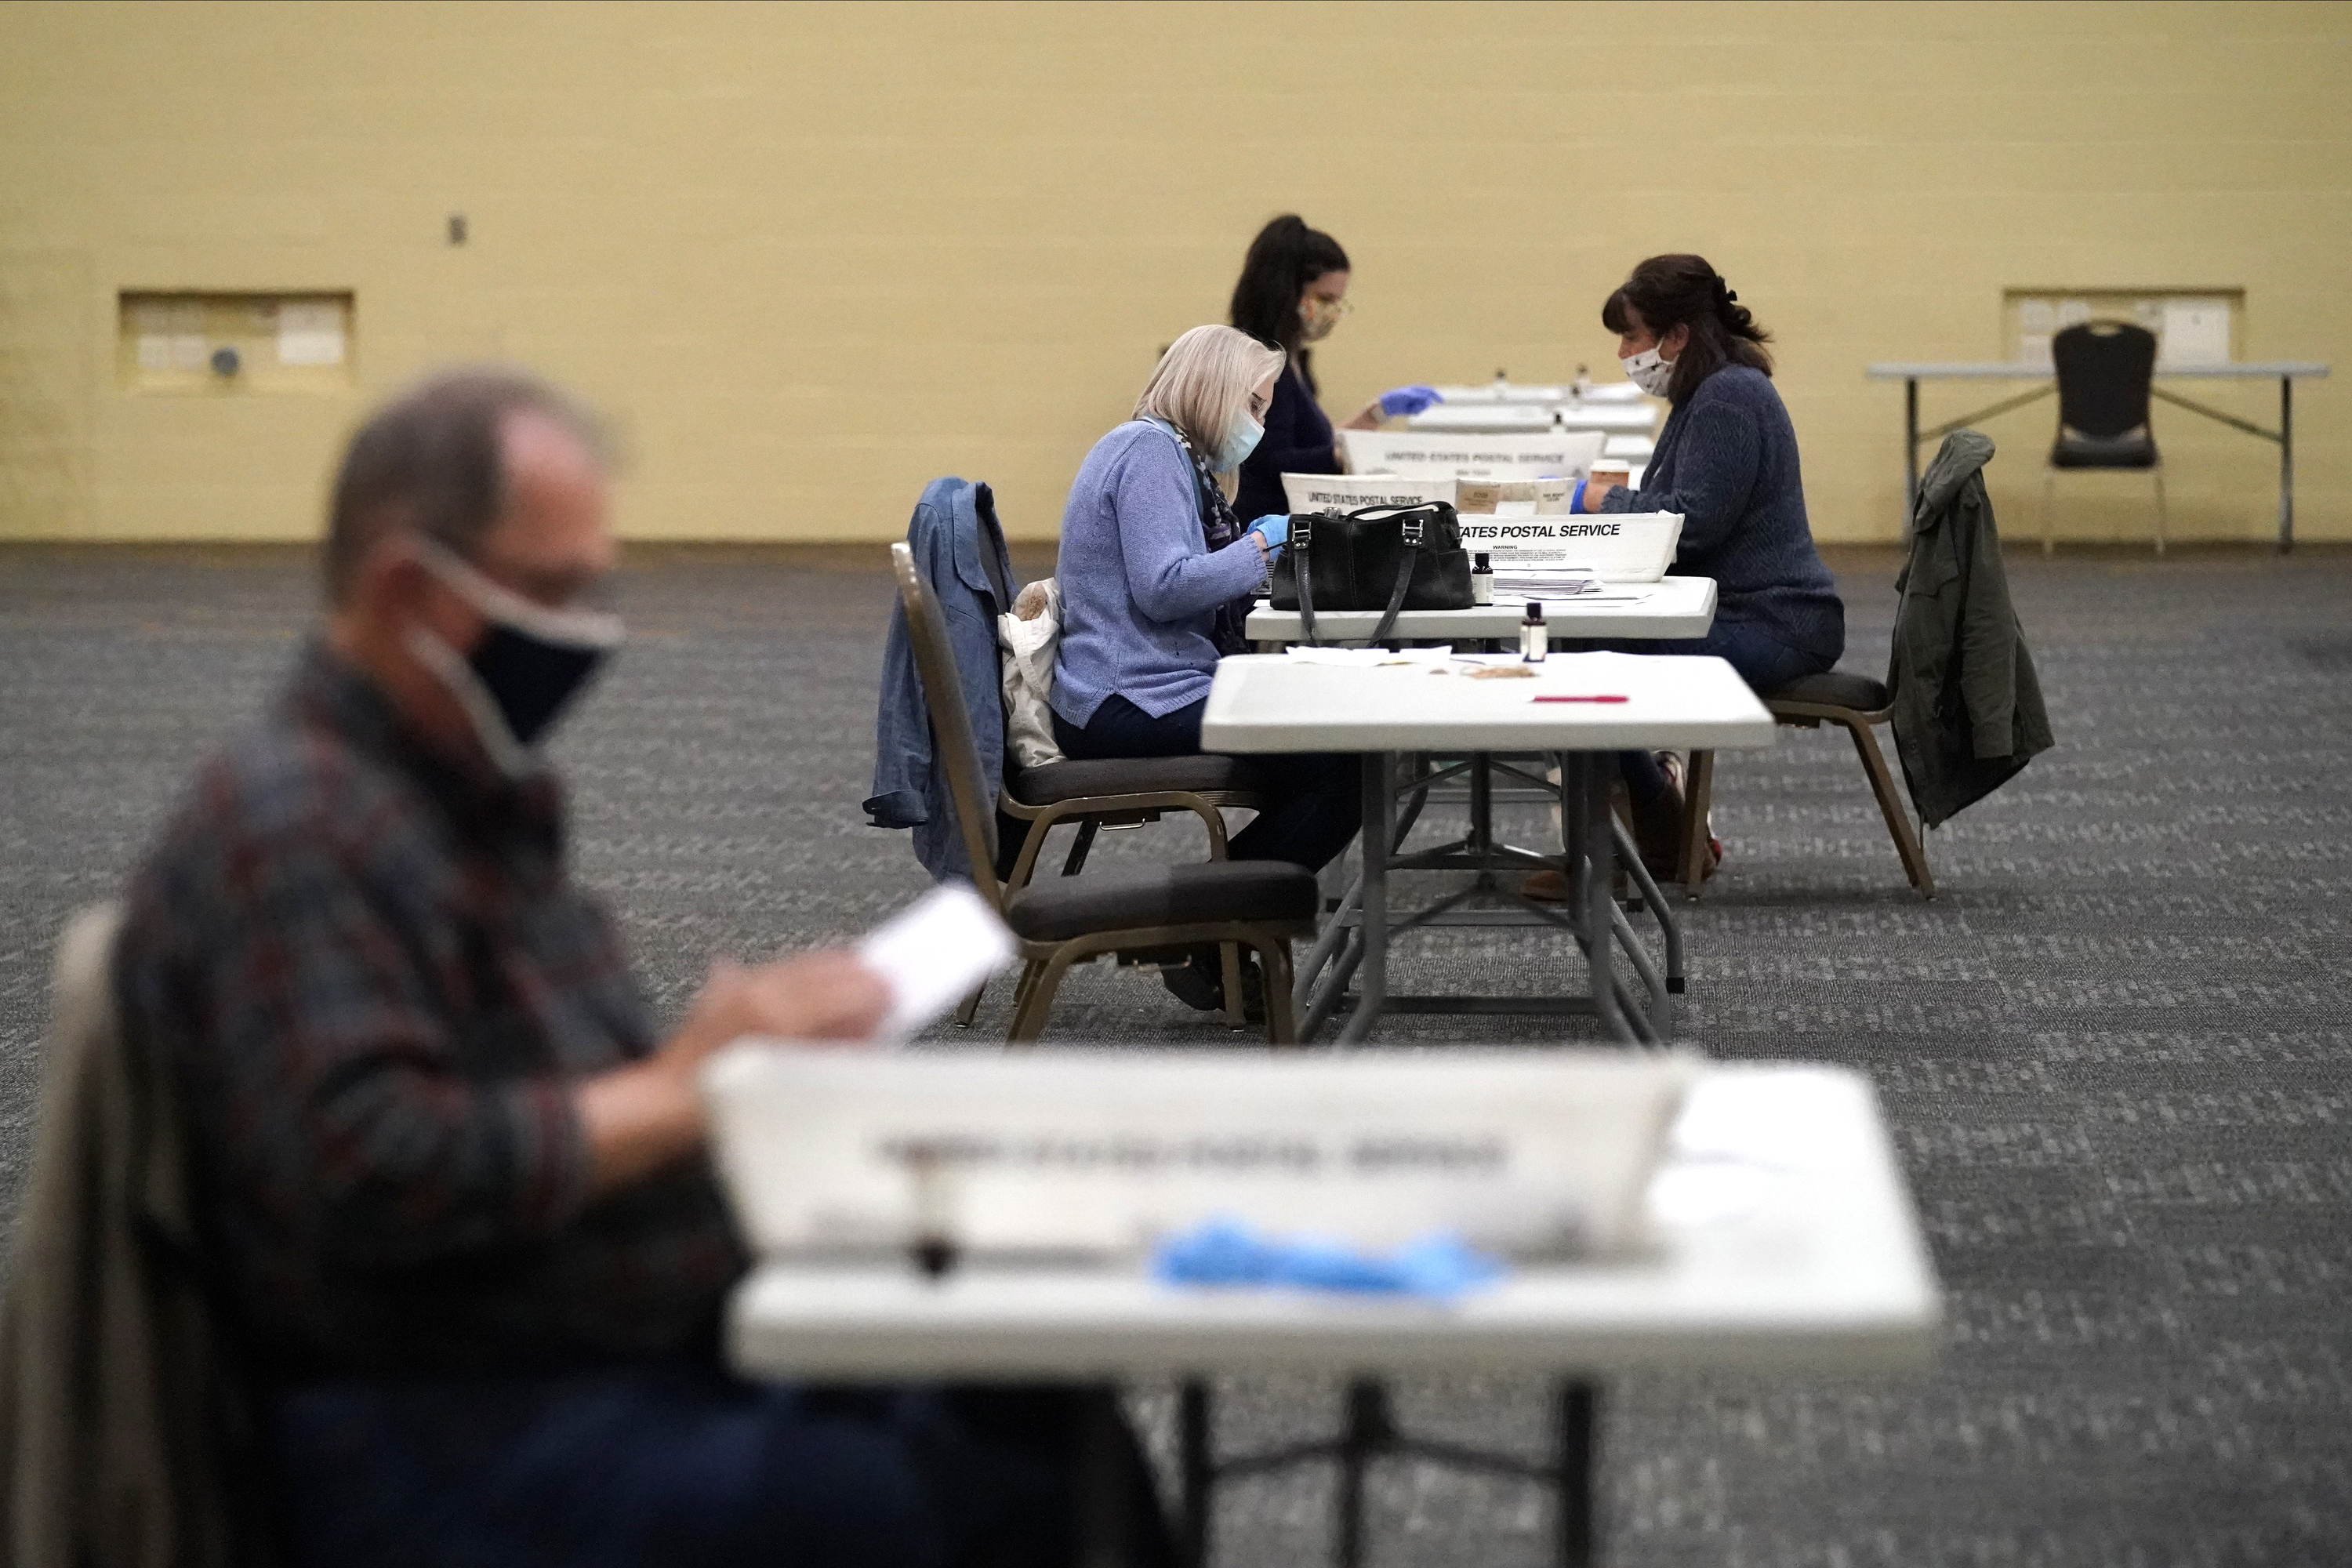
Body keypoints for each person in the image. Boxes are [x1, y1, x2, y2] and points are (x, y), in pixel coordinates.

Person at [111, 368, 1170, 1566]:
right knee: (975, 1498)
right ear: (408, 589)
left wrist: (721, 1060)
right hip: (453, 1418)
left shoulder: (452, 795)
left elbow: (564, 1098)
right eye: (553, 593)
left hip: (599, 1350)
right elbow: (380, 1169)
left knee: (1047, 1407)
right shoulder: (294, 823)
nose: (586, 633)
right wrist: (692, 1082)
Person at [1050, 325, 1363, 1012]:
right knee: (1339, 767)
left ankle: (1214, 939)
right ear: (1212, 391)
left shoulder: (1173, 456)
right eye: (1252, 406)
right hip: (1127, 697)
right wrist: (1261, 547)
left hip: (1150, 682)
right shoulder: (1147, 451)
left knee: (1330, 750)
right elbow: (1166, 586)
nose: (1257, 423)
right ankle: (1198, 931)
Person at [1566, 255, 1846, 877]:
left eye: (1631, 335)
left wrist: (1597, 501)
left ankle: (1647, 823)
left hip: (1778, 621)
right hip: (1748, 609)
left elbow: (1691, 527)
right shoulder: (1709, 391)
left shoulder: (1727, 398)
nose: (1622, 352)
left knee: (1581, 657)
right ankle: (1654, 816)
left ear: (1677, 335)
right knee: (1577, 645)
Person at [1226, 214, 1441, 521]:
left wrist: (1376, 414)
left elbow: (1316, 446)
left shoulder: (1295, 361)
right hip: (1263, 527)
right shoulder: (1260, 362)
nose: (1332, 311)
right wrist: (1363, 456)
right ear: (1286, 292)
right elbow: (1272, 461)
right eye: (1325, 298)